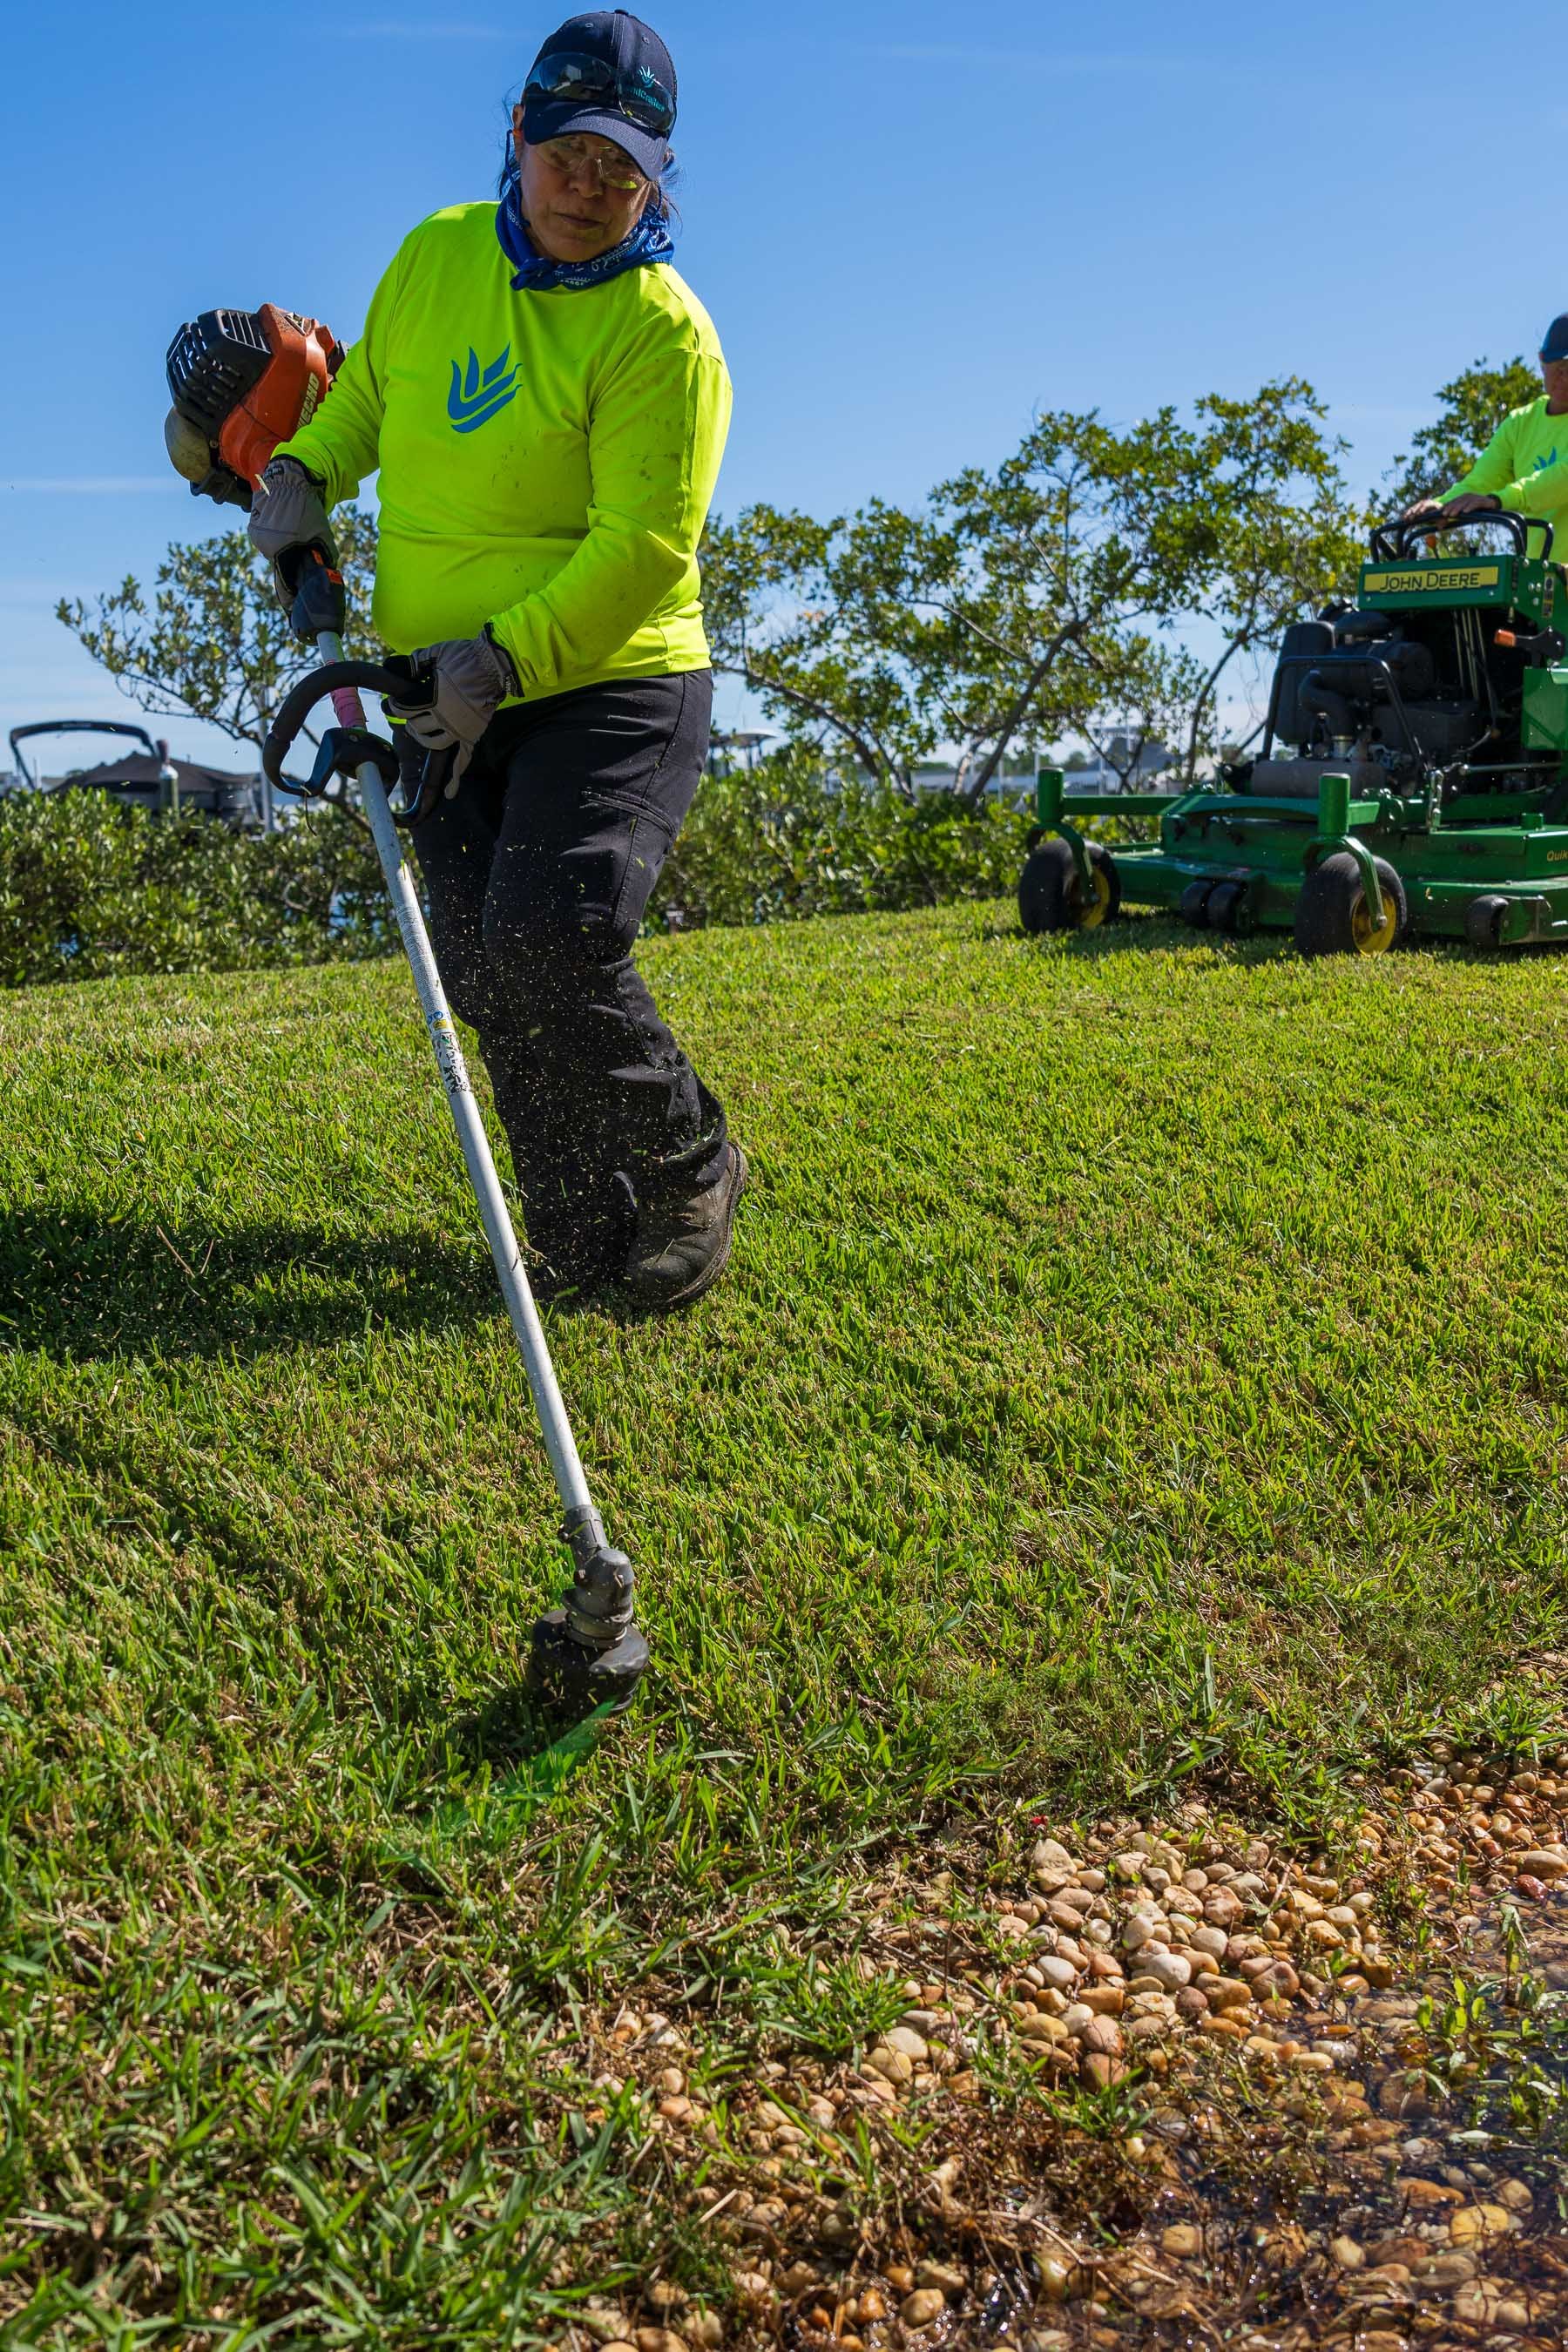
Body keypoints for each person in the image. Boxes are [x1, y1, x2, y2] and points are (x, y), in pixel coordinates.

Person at [249, 10, 743, 1308]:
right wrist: (306, 469)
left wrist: (508, 656)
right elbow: (370, 403)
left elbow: (641, 549)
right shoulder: (435, 256)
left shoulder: (663, 335)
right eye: (567, 152)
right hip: (443, 686)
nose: (589, 188)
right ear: (515, 135)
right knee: (479, 968)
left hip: (612, 686)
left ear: (655, 178)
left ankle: (688, 1164)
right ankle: (583, 1229)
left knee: (549, 938)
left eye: (622, 167)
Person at [1404, 315, 1568, 544]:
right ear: (1542, 362)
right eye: (1560, 368)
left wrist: (1498, 500)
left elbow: (1562, 478)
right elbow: (1482, 481)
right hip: (1542, 575)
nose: (1567, 378)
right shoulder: (1520, 423)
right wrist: (1444, 505)